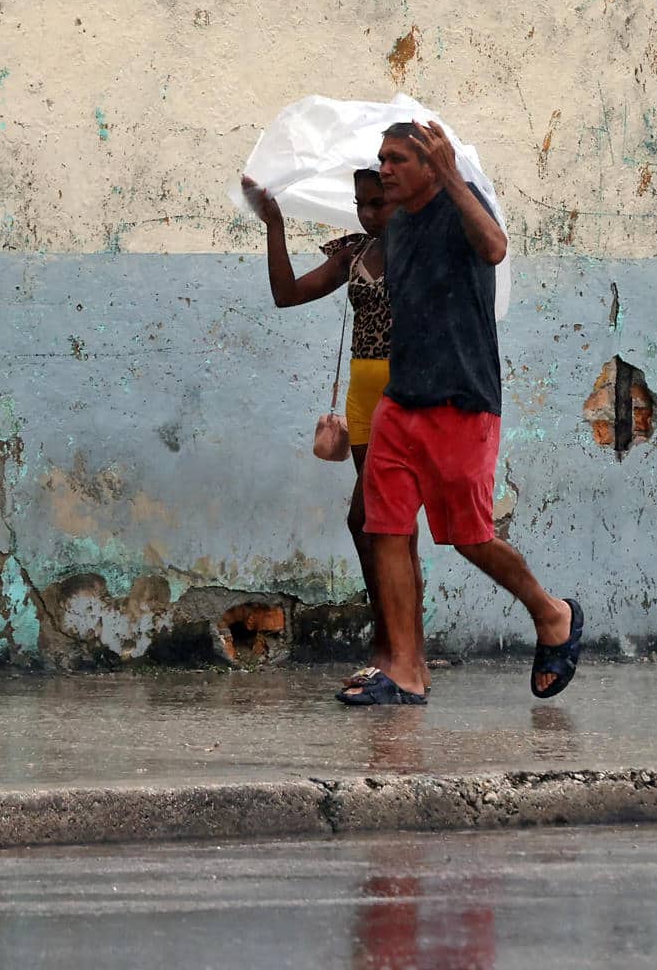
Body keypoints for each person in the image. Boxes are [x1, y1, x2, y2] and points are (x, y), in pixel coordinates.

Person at [340, 120, 583, 706]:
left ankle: (553, 614)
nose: (385, 169)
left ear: (430, 166)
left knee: (469, 539)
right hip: (402, 403)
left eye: (397, 159)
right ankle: (405, 671)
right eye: (382, 159)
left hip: (462, 402)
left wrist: (454, 178)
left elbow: (495, 248)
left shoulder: (458, 206)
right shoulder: (396, 229)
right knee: (385, 531)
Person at [240, 168, 422, 687]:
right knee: (387, 530)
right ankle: (403, 654)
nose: (368, 213)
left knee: (375, 522)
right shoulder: (355, 253)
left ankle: (398, 653)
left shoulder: (424, 253)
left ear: (403, 199)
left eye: (379, 202)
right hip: (362, 401)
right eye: (361, 203)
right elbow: (287, 294)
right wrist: (274, 225)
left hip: (402, 397)